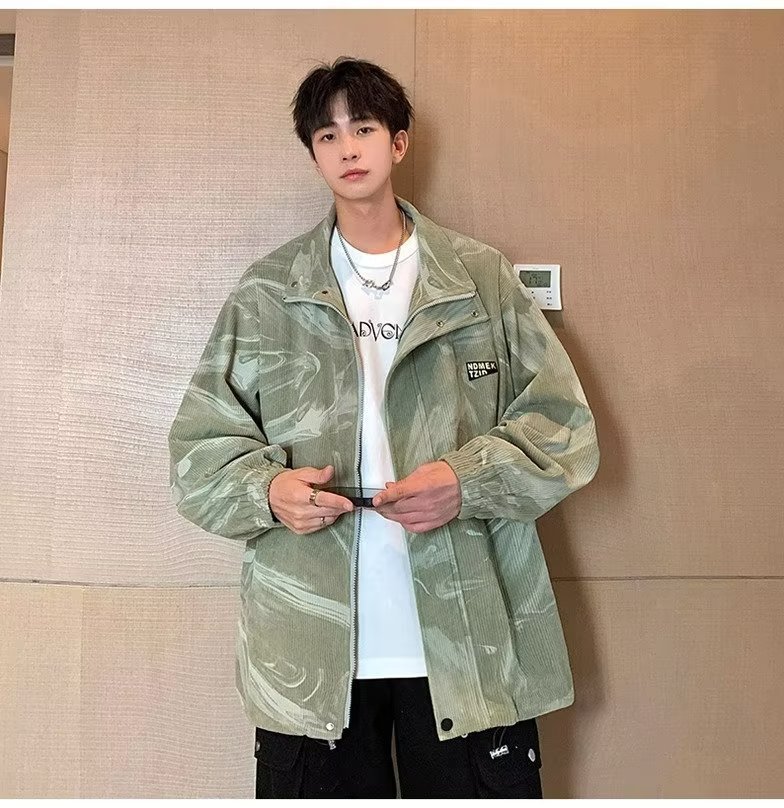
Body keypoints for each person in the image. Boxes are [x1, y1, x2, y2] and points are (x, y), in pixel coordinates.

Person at [167, 56, 600, 799]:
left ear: (398, 142)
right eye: (327, 135)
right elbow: (198, 453)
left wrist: (465, 482)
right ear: (313, 155)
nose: (347, 148)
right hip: (309, 655)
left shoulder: (479, 278)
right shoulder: (269, 292)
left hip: (469, 641)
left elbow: (563, 426)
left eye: (363, 128)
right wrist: (268, 492)